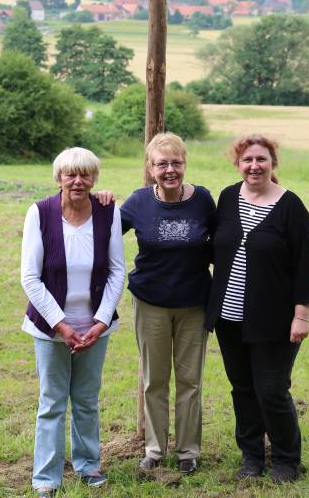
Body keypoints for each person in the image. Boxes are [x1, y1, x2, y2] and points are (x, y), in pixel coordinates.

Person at [206, 134, 309, 484]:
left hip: (275, 320)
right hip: (229, 318)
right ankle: (252, 457)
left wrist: (301, 314)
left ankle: (287, 461)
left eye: (261, 159)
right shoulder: (227, 198)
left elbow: (305, 265)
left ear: (273, 164)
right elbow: (213, 247)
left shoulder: (291, 206)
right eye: (247, 160)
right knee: (242, 389)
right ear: (238, 164)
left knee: (271, 391)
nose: (254, 166)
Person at [98, 132, 216, 474]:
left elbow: (225, 241)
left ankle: (188, 452)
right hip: (151, 302)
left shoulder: (204, 201)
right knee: (154, 379)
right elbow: (101, 234)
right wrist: (99, 202)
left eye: (176, 163)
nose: (169, 170)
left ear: (185, 165)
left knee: (191, 380)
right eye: (161, 164)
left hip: (194, 303)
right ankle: (154, 449)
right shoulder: (137, 202)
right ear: (150, 168)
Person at [21, 147, 125, 497]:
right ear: (59, 177)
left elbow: (116, 271)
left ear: (95, 178)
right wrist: (61, 325)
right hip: (51, 329)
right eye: (70, 174)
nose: (78, 181)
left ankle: (88, 466)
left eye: (85, 174)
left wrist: (100, 322)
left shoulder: (109, 212)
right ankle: (46, 478)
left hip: (95, 327)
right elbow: (30, 278)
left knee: (85, 399)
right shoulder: (39, 213)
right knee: (52, 402)